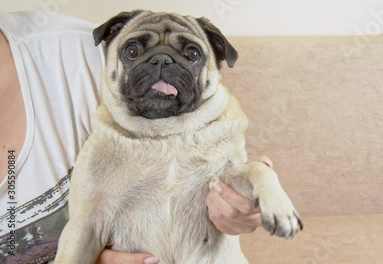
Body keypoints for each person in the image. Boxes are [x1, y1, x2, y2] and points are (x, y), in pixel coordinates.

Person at [0, 11, 262, 264]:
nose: (162, 63)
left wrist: (249, 196)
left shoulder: (76, 54)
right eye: (135, 53)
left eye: (190, 55)